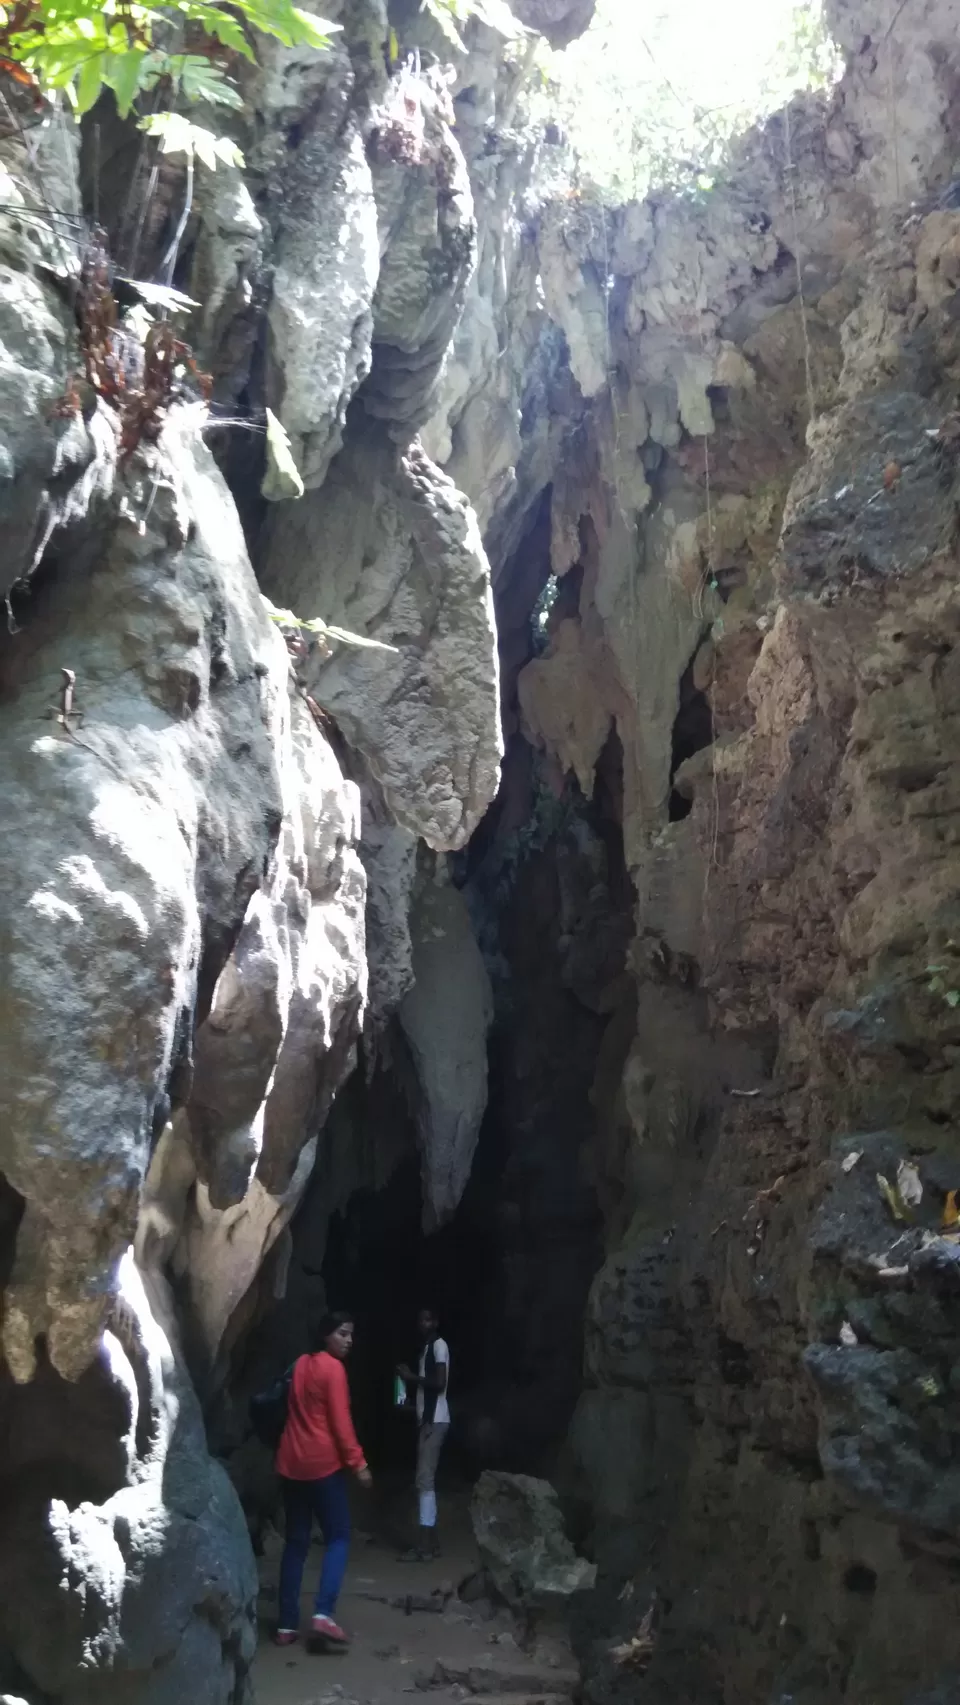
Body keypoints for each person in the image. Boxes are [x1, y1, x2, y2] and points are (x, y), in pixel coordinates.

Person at [274, 1311, 372, 1647]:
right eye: (343, 1334)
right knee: (339, 1536)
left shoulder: (300, 1363)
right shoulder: (333, 1369)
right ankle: (323, 1614)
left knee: (296, 1542)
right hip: (321, 1465)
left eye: (351, 1335)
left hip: (291, 1463)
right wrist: (358, 1464)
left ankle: (286, 1625)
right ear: (326, 1335)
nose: (349, 1341)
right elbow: (341, 1424)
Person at [397, 1306, 450, 1560]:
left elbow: (439, 1384)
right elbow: (427, 1392)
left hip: (435, 1421)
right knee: (424, 1481)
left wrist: (410, 1377)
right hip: (428, 1419)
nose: (424, 1324)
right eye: (421, 1320)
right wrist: (410, 1406)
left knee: (424, 1481)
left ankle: (424, 1547)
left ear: (436, 1322)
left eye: (428, 1319)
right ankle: (434, 1545)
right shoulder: (428, 1349)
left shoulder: (439, 1346)